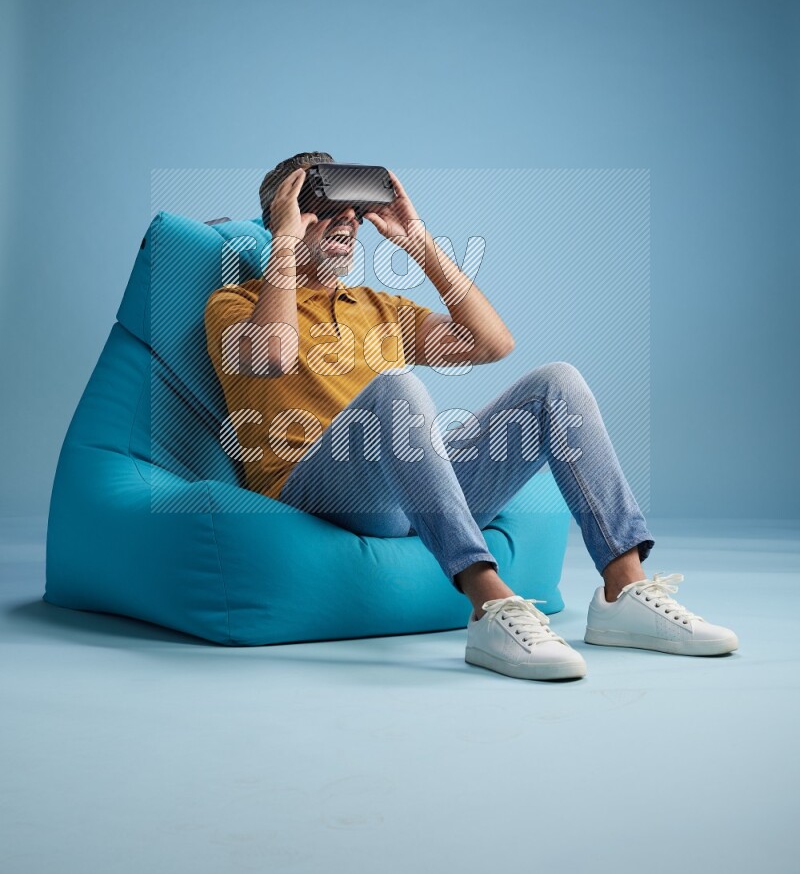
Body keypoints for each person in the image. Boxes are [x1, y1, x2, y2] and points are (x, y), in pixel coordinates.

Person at [204, 152, 739, 682]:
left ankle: (623, 588)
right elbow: (271, 356)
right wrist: (284, 242)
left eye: (355, 215)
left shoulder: (377, 306)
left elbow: (491, 343)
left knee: (557, 383)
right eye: (329, 212)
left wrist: (418, 242)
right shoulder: (236, 302)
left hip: (414, 492)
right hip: (320, 493)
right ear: (289, 219)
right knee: (396, 387)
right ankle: (488, 605)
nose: (348, 223)